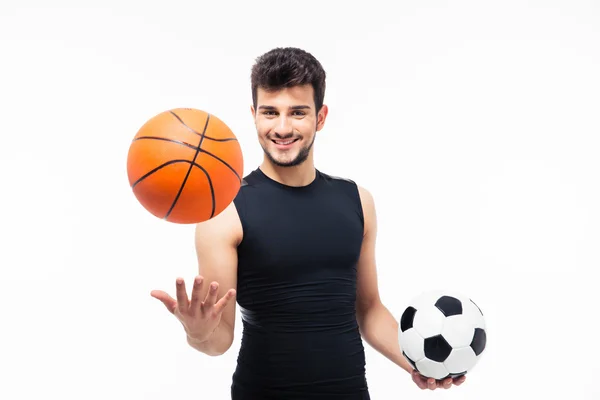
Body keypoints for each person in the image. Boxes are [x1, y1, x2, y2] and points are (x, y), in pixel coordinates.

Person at [151, 47, 466, 399]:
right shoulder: (224, 211)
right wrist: (198, 332)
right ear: (254, 115)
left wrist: (416, 360)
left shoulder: (358, 201)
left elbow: (369, 309)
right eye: (270, 112)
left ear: (320, 117)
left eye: (297, 112)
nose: (282, 128)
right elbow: (219, 339)